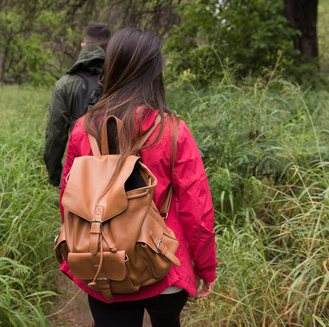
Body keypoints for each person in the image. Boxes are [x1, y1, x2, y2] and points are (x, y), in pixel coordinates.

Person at [59, 27, 217, 327]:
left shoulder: (83, 130)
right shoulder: (171, 130)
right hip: (164, 266)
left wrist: (77, 249)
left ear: (112, 67)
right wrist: (205, 268)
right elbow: (197, 211)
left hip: (104, 265)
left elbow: (69, 203)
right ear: (155, 72)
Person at [44, 22, 111, 186]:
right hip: (116, 176)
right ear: (109, 48)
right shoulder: (122, 81)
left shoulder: (64, 85)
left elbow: (55, 137)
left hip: (77, 176)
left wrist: (56, 176)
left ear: (83, 46)